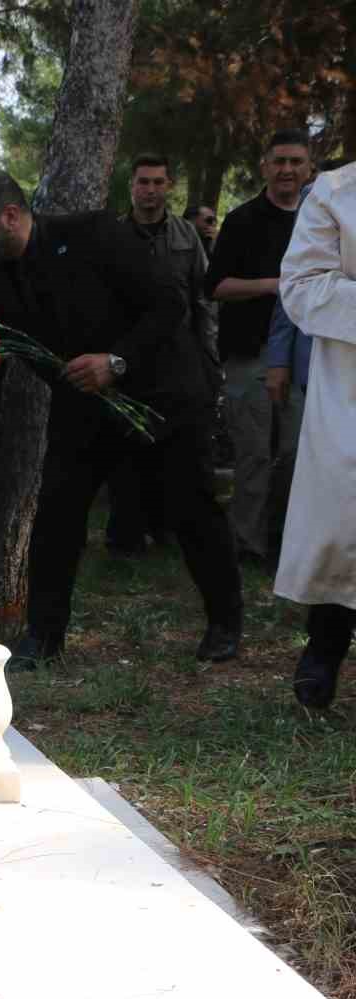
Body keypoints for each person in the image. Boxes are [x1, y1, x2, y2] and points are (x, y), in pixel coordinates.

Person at [0, 170, 241, 669]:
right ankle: (43, 637)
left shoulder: (93, 234)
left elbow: (168, 304)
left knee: (191, 508)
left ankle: (225, 622)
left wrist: (116, 361)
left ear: (10, 215)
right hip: (83, 407)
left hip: (160, 393)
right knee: (57, 514)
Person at [205, 130, 313, 563]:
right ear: (264, 166)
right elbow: (215, 286)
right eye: (279, 161)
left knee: (295, 455)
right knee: (252, 456)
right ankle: (246, 545)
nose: (287, 169)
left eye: (296, 162)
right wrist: (275, 286)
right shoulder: (243, 220)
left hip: (306, 358)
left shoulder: (317, 222)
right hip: (251, 355)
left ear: (310, 169)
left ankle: (286, 543)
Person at [103, 153, 218, 555]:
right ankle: (126, 534)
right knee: (127, 447)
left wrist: (209, 359)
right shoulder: (112, 235)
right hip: (127, 357)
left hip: (178, 356)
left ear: (168, 186)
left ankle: (169, 528)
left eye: (157, 182)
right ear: (131, 185)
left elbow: (204, 301)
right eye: (143, 182)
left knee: (178, 447)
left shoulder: (187, 237)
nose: (149, 190)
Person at [276, 162, 356, 709]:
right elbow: (301, 286)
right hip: (350, 387)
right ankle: (324, 651)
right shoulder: (336, 192)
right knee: (342, 527)